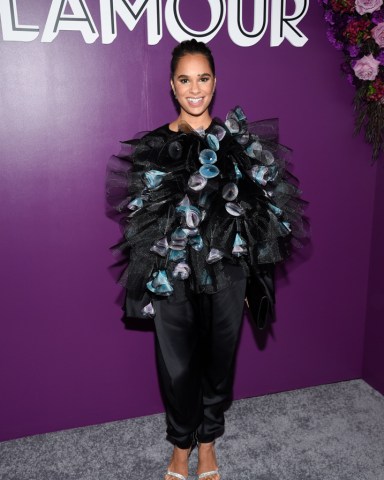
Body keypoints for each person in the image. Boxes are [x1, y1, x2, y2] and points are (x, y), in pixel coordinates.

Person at [107, 39, 306, 480]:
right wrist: (147, 283)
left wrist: (257, 282)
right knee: (177, 367)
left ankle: (209, 442)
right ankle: (181, 446)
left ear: (214, 83)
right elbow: (141, 224)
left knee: (219, 363)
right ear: (172, 87)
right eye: (184, 79)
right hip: (174, 274)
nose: (194, 89)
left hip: (228, 274)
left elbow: (260, 221)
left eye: (203, 78)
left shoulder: (238, 144)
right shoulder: (154, 147)